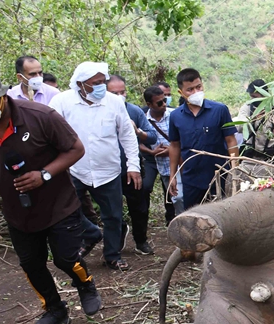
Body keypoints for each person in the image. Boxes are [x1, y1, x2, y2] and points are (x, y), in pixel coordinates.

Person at [0, 68, 102, 324]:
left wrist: (44, 174)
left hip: (58, 203)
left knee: (66, 258)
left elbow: (75, 148)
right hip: (17, 210)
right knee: (31, 264)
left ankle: (86, 285)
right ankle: (54, 308)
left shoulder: (40, 116)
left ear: (1, 97)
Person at [49, 62, 142, 271]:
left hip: (108, 170)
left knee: (113, 216)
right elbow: (50, 134)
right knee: (65, 210)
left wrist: (133, 165)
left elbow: (127, 134)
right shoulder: (61, 102)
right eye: (95, 83)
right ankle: (88, 235)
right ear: (80, 84)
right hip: (74, 169)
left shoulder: (114, 102)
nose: (101, 86)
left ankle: (112, 255)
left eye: (103, 82)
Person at [167, 68, 238, 209]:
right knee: (194, 216)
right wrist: (172, 175)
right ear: (181, 92)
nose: (196, 92)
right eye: (190, 90)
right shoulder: (176, 116)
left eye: (198, 87)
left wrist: (235, 170)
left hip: (219, 175)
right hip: (191, 178)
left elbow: (231, 140)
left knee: (222, 214)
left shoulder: (219, 110)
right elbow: (175, 145)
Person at [106, 74, 158, 255]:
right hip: (108, 169)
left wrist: (138, 132)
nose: (119, 96)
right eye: (114, 92)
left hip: (132, 168)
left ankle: (141, 241)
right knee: (112, 208)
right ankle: (116, 241)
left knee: (139, 206)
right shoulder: (99, 112)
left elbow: (152, 137)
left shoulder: (134, 111)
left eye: (122, 92)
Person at [143, 84, 184, 223]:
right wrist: (151, 152)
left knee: (181, 197)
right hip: (164, 168)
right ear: (149, 104)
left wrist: (171, 150)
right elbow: (134, 141)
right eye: (159, 103)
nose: (164, 105)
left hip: (181, 163)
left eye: (165, 100)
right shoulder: (143, 120)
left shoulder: (175, 115)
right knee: (176, 199)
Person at [234, 78, 274, 161]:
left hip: (272, 156)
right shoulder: (247, 108)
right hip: (250, 154)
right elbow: (240, 128)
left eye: (255, 97)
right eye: (251, 97)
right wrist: (253, 119)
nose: (252, 100)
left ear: (264, 95)